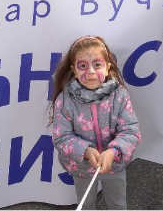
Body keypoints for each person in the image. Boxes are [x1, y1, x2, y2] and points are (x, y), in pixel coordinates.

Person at [51, 35, 141, 210]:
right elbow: (61, 137)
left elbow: (131, 131)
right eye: (83, 66)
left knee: (117, 204)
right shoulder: (65, 100)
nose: (90, 71)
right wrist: (85, 150)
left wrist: (114, 151)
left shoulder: (119, 96)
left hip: (114, 165)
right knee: (86, 204)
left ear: (107, 68)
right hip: (82, 168)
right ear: (74, 70)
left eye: (97, 64)